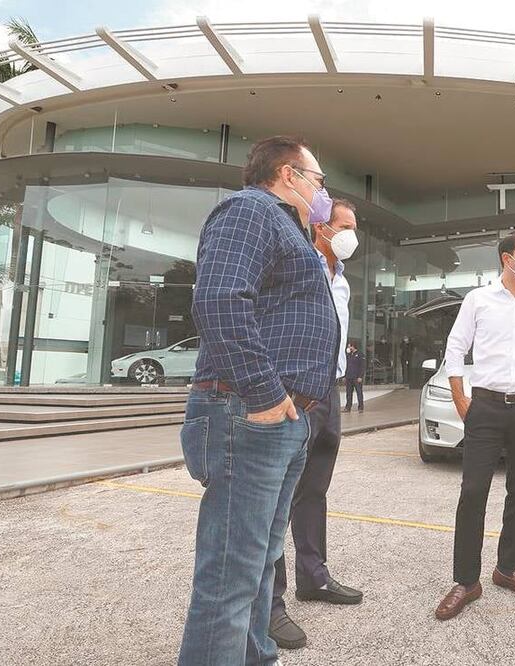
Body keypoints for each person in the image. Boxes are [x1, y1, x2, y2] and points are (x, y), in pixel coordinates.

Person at [178, 135, 339, 666]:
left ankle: (256, 657)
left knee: (260, 563)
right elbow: (221, 298)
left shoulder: (290, 228)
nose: (322, 191)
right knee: (230, 575)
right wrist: (266, 394)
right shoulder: (250, 211)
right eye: (318, 179)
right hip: (249, 412)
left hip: (282, 417)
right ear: (289, 174)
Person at [434, 230, 515, 621]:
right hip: (487, 408)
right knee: (473, 491)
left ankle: (508, 569)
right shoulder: (478, 299)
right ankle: (466, 581)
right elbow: (455, 349)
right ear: (507, 259)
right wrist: (461, 400)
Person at [268, 198, 364, 651]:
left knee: (313, 491)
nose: (352, 235)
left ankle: (314, 577)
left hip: (331, 393)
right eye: (345, 226)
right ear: (322, 228)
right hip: (296, 392)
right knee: (275, 497)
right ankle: (270, 604)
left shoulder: (341, 281)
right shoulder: (298, 265)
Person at [344, 341, 365, 413]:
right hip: (349, 377)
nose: (349, 348)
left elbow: (362, 366)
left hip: (356, 377)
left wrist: (360, 376)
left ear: (353, 346)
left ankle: (360, 407)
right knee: (348, 393)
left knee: (359, 392)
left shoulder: (360, 354)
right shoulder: (348, 355)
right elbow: (346, 366)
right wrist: (345, 376)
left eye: (350, 346)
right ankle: (348, 407)